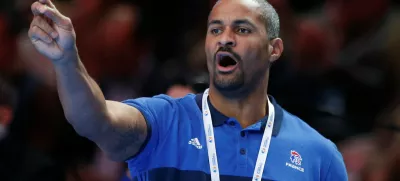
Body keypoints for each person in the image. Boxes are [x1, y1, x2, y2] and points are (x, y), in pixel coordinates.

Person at [28, 0, 348, 180]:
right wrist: (67, 62)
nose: (225, 39)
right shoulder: (166, 118)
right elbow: (95, 120)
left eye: (242, 29)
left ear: (273, 49)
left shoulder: (318, 154)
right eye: (215, 29)